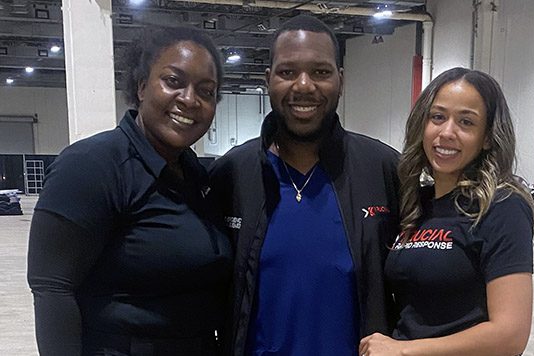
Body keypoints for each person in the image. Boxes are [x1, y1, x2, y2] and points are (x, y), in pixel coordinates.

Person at [27, 26, 232, 356]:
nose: (190, 99)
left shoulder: (196, 176)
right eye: (173, 81)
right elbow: (52, 287)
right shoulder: (91, 166)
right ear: (141, 86)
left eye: (206, 92)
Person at [208, 15, 400, 356]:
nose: (304, 85)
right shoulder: (231, 175)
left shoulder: (384, 170)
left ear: (341, 79)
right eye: (287, 72)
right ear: (268, 80)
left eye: (321, 72)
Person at [359, 67, 534, 356]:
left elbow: (510, 335)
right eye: (438, 117)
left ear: (488, 137)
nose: (447, 132)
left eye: (466, 122)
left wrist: (405, 350)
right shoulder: (416, 203)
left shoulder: (502, 207)